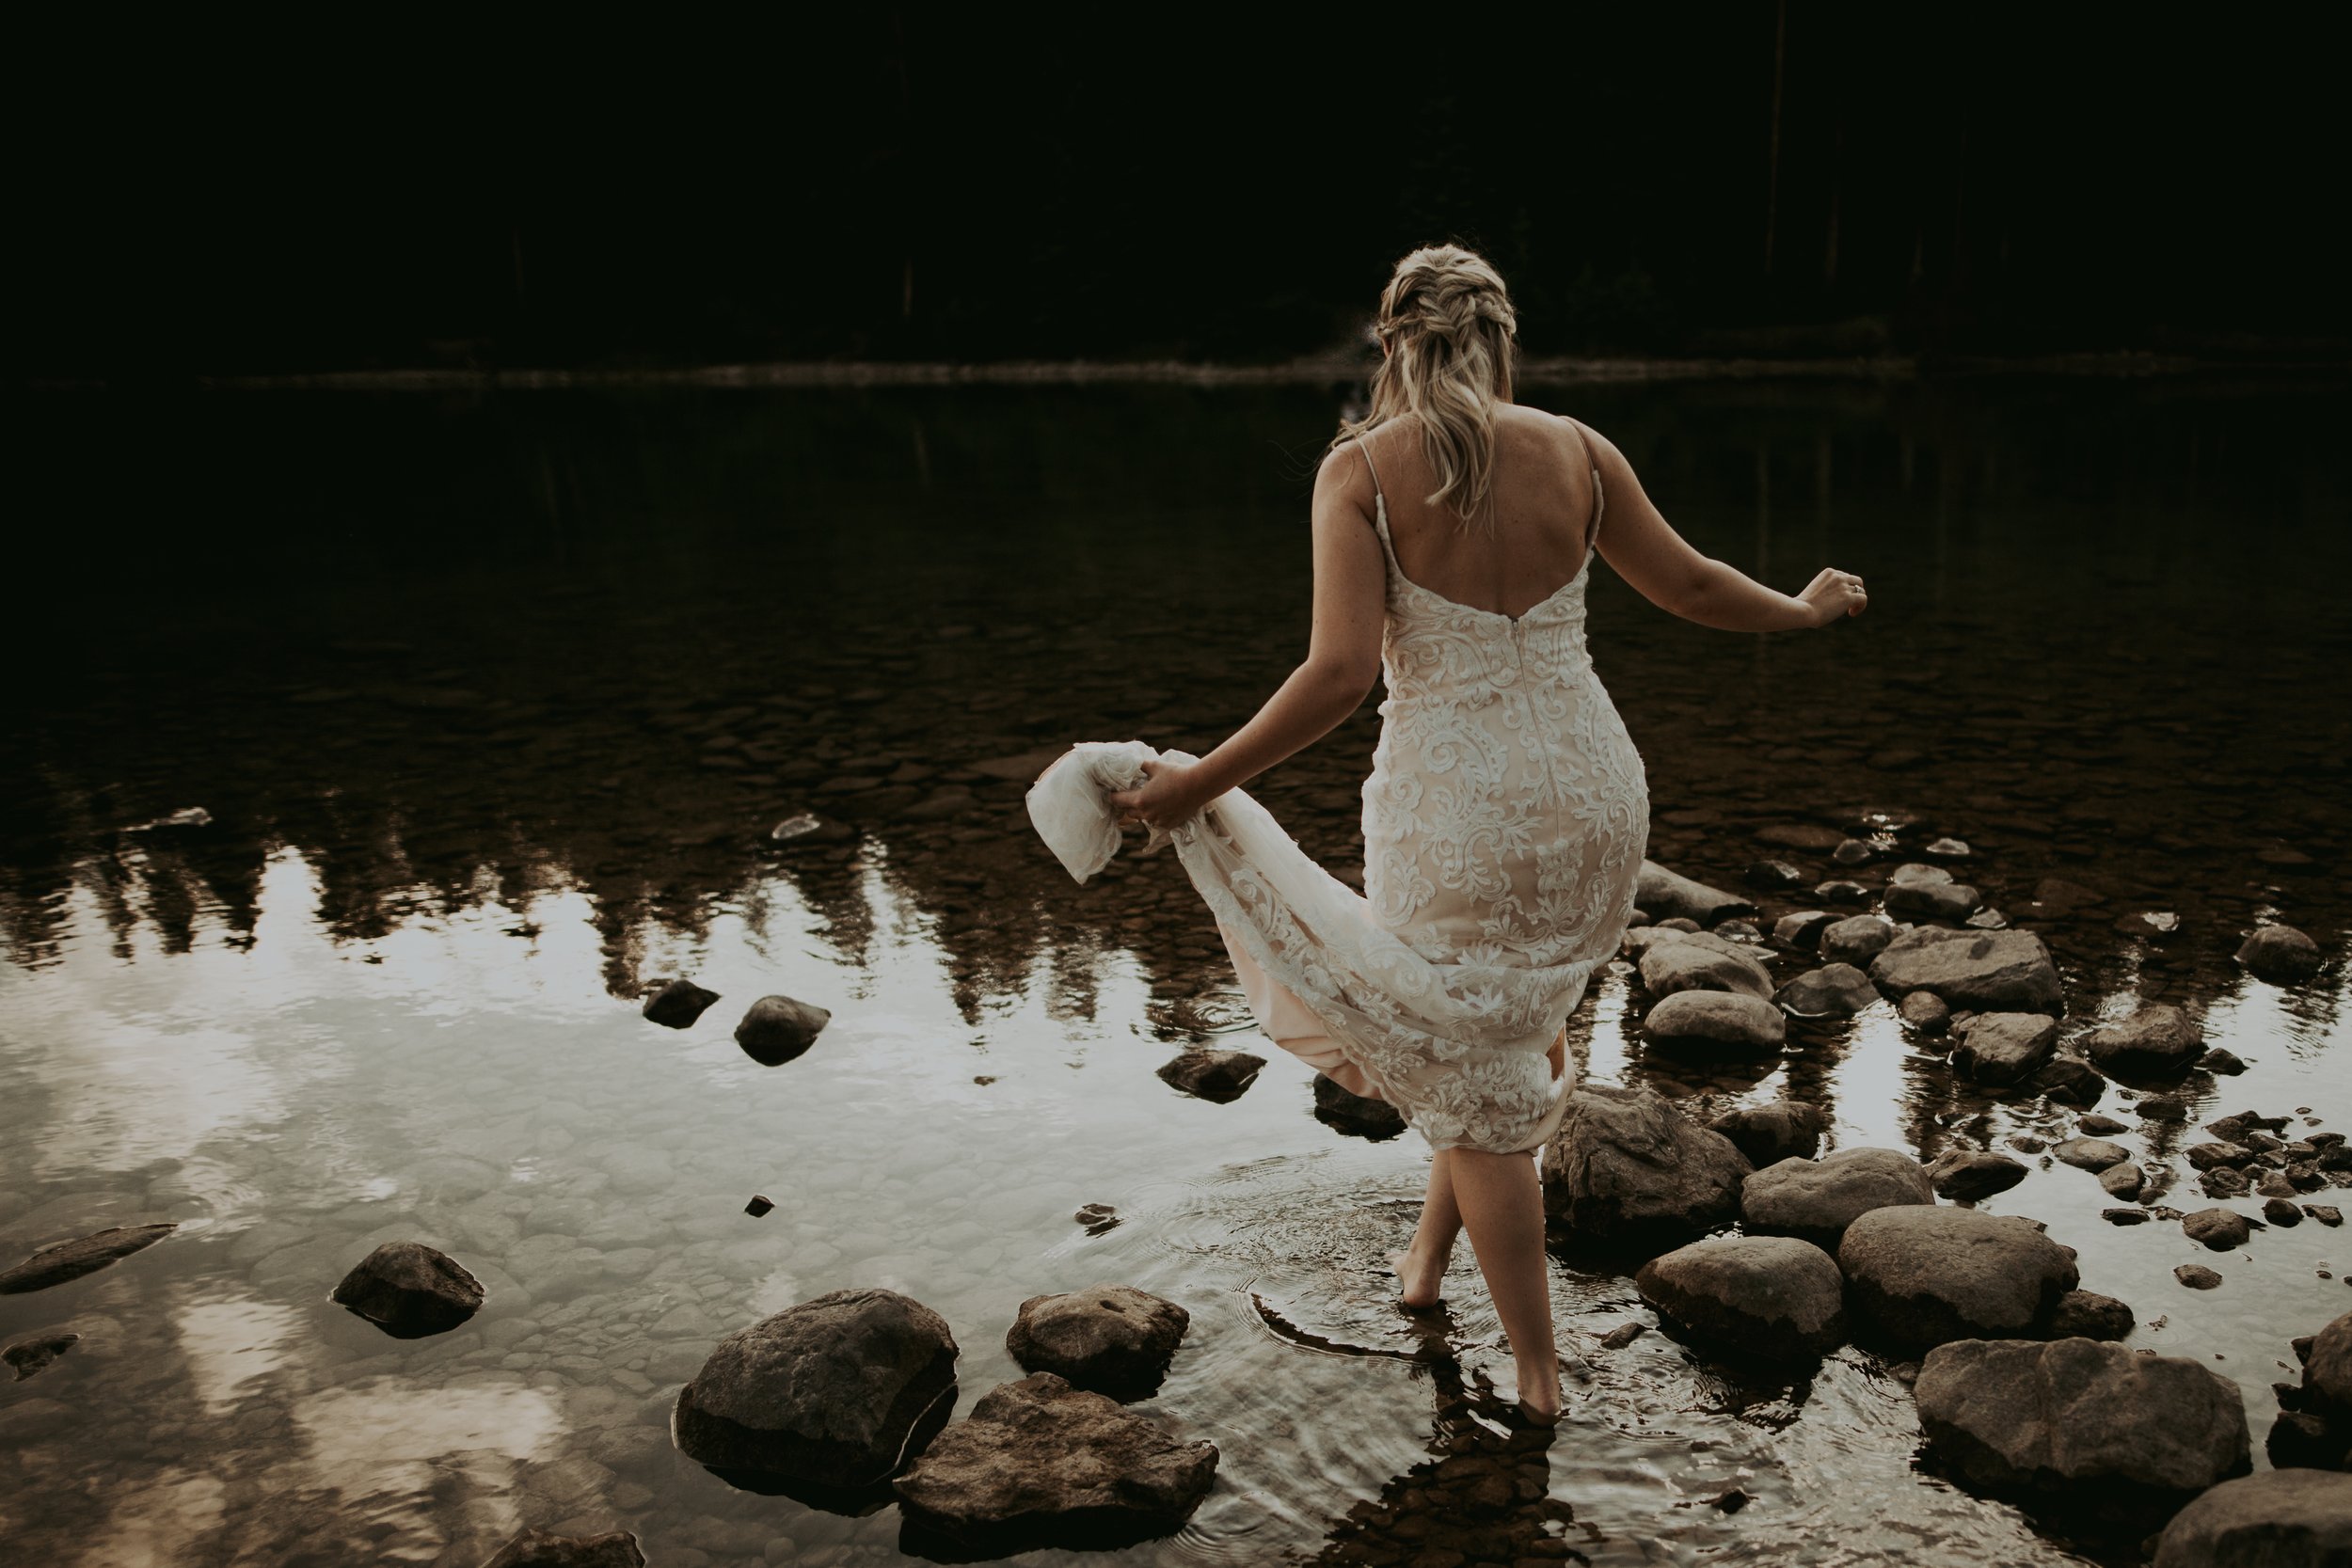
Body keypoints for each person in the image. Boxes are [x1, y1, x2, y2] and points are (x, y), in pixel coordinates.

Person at [1105, 244, 1866, 1420]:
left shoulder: (1359, 469)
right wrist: (1802, 610)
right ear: (1503, 335)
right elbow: (1696, 587)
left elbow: (1339, 673)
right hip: (1596, 796)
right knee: (1495, 1044)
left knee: (1472, 1072)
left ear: (1392, 341)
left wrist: (1195, 780)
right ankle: (1420, 1269)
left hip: (1458, 808)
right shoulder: (1577, 449)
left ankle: (1538, 1374)